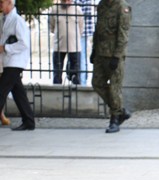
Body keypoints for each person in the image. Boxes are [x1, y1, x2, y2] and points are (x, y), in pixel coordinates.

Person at [91, 0, 131, 133]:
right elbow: (98, 29)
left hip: (114, 56)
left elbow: (123, 35)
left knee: (115, 88)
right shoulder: (102, 5)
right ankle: (120, 111)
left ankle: (114, 119)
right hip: (100, 53)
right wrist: (93, 50)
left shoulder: (122, 7)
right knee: (97, 83)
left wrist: (117, 56)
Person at [0, 0, 36, 131]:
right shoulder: (6, 19)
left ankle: (29, 121)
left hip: (15, 61)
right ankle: (29, 121)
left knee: (1, 90)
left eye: (2, 2)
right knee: (18, 92)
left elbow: (24, 43)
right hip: (9, 61)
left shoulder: (17, 21)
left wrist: (6, 48)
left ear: (10, 3)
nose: (0, 5)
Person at [49, 0, 83, 85]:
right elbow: (51, 26)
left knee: (75, 73)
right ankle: (57, 92)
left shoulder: (77, 10)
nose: (67, 2)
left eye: (69, 0)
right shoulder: (54, 9)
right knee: (57, 73)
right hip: (59, 45)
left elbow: (81, 27)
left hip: (74, 45)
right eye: (64, 0)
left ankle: (75, 90)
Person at [78, 0, 97, 86]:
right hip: (86, 30)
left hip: (81, 31)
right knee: (82, 57)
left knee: (81, 57)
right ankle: (82, 81)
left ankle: (82, 82)